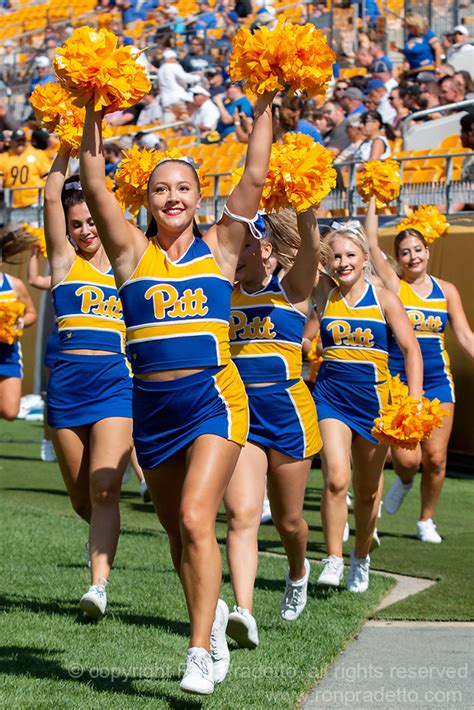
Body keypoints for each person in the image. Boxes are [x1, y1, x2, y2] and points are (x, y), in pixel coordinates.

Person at [80, 88, 275, 694]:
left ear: (198, 198)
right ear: (149, 198)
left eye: (183, 188)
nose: (171, 197)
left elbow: (256, 171)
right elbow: (92, 183)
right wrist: (92, 108)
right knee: (176, 532)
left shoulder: (221, 248)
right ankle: (210, 619)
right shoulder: (130, 252)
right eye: (160, 189)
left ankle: (197, 652)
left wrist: (265, 97)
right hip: (153, 410)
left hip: (214, 400)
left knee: (197, 517)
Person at [224, 208, 322, 647]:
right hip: (241, 416)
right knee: (242, 516)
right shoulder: (221, 295)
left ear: (265, 249)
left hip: (288, 415)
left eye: (244, 244)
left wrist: (303, 206)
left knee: (288, 521)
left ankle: (298, 570)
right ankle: (244, 611)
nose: (235, 253)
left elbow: (311, 247)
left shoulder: (292, 290)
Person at [44, 152, 134, 618]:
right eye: (76, 224)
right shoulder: (63, 262)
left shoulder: (125, 266)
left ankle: (98, 586)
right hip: (66, 392)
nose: (84, 231)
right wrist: (62, 145)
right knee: (84, 499)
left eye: (91, 221)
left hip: (115, 386)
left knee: (105, 491)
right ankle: (100, 542)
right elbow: (48, 195)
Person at [312, 219, 423, 592]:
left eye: (349, 255)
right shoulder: (324, 294)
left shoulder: (384, 298)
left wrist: (415, 400)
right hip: (330, 398)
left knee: (367, 491)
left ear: (363, 259)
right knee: (335, 479)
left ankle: (361, 556)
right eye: (335, 257)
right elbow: (302, 337)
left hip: (374, 405)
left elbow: (411, 350)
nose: (342, 263)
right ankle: (332, 558)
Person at [365, 198, 473, 542]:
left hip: (438, 382)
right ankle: (406, 480)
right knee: (409, 460)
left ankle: (426, 520)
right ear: (397, 259)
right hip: (398, 383)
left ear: (427, 251)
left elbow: (466, 336)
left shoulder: (447, 291)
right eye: (405, 252)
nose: (412, 257)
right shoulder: (396, 286)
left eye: (417, 250)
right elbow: (369, 243)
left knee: (437, 459)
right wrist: (370, 200)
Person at [0, 227, 37, 420]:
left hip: (7, 353)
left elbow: (31, 313)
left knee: (10, 412)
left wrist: (19, 323)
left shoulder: (14, 284)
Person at [0, 128, 51, 223]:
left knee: (36, 233)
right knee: (16, 236)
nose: (20, 143)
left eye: (22, 140)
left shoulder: (38, 155)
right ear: (11, 142)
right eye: (17, 140)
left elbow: (48, 177)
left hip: (35, 203)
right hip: (13, 205)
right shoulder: (3, 158)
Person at [401, 13, 442, 79]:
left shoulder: (428, 34)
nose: (408, 29)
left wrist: (438, 68)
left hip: (426, 69)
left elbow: (438, 49)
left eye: (409, 26)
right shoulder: (410, 36)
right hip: (412, 71)